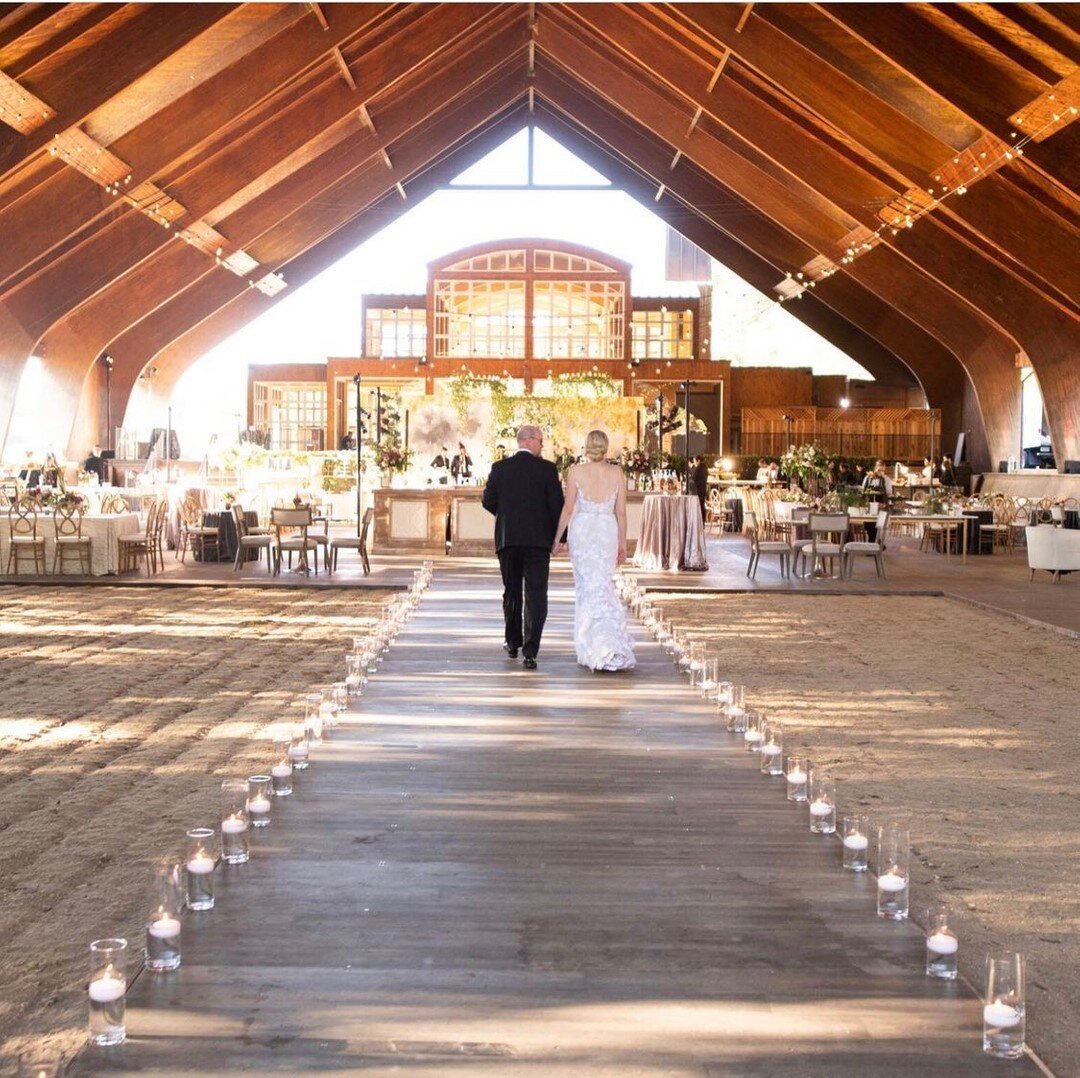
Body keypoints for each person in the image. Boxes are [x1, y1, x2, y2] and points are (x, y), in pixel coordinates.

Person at [551, 430, 635, 673]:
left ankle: (593, 647)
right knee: (603, 584)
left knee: (587, 587)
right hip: (606, 530)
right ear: (606, 447)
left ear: (587, 447)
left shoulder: (576, 471)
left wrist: (558, 538)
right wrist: (622, 543)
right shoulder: (617, 472)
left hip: (584, 530)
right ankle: (609, 643)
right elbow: (621, 513)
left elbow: (568, 509)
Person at [482, 425, 564, 670]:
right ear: (529, 441)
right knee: (536, 594)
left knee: (511, 591)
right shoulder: (547, 469)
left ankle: (512, 641)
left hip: (508, 540)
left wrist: (507, 514)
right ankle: (530, 650)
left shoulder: (499, 468)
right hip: (538, 542)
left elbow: (488, 501)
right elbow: (556, 506)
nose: (542, 446)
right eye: (541, 441)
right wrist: (560, 538)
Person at [690, 454, 709, 522]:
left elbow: (694, 478)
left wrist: (691, 470)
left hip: (699, 490)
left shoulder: (699, 468)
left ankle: (700, 522)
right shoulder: (704, 468)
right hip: (702, 490)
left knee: (700, 507)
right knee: (702, 506)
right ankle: (702, 522)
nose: (694, 463)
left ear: (698, 461)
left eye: (694, 461)